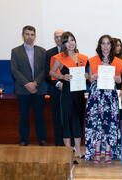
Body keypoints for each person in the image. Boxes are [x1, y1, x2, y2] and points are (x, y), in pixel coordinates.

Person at [85, 35, 122, 164]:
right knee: (96, 124)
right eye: (103, 43)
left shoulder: (118, 62)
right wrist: (93, 77)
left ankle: (108, 152)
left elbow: (121, 80)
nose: (106, 46)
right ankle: (96, 152)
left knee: (110, 124)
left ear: (111, 46)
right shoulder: (93, 60)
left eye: (108, 43)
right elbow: (89, 78)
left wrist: (118, 79)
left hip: (110, 97)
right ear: (99, 45)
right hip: (96, 97)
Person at [50, 31, 87, 159]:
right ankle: (68, 152)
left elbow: (87, 76)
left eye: (72, 40)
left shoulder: (82, 58)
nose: (70, 43)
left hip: (79, 94)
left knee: (77, 121)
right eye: (67, 41)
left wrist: (86, 76)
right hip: (67, 94)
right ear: (63, 43)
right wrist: (62, 76)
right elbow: (52, 73)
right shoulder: (59, 58)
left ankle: (77, 149)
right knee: (67, 121)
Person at [11, 25, 47, 146]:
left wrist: (35, 83)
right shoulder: (15, 51)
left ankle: (42, 140)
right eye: (27, 34)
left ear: (35, 36)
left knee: (40, 117)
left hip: (39, 89)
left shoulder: (42, 51)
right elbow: (15, 70)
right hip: (22, 90)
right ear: (23, 35)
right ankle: (23, 140)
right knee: (24, 117)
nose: (29, 37)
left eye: (32, 34)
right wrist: (27, 84)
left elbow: (44, 70)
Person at [46, 30, 64, 146]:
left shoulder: (73, 52)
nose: (58, 39)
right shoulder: (49, 53)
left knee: (68, 118)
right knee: (57, 118)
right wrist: (58, 83)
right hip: (55, 90)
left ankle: (70, 143)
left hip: (69, 91)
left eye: (61, 37)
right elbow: (47, 73)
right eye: (56, 37)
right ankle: (58, 143)